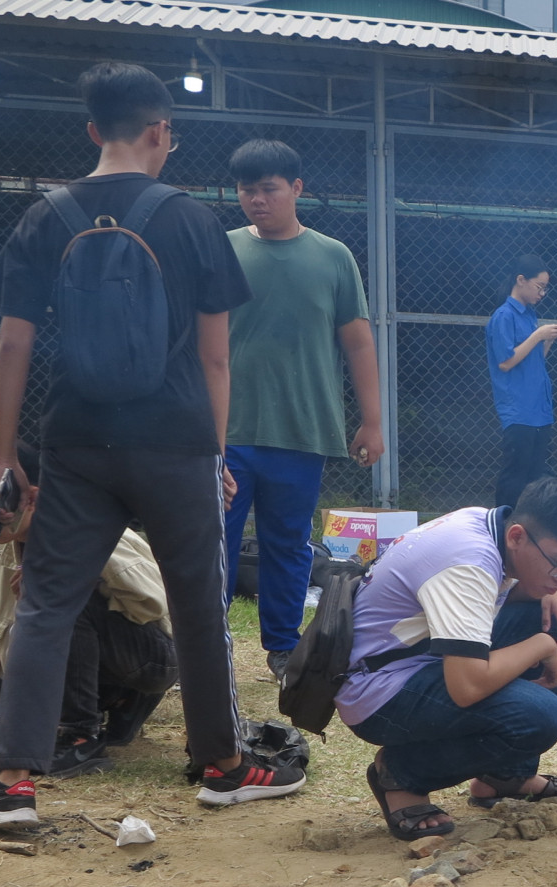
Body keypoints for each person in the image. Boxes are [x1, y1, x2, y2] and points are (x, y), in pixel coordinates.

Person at [0, 61, 304, 825]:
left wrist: (8, 453)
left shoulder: (44, 216)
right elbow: (217, 358)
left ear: (92, 130)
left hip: (78, 441)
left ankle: (10, 784)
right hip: (176, 439)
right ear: (160, 131)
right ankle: (222, 765)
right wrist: (215, 454)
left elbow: (12, 346)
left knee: (48, 604)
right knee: (197, 604)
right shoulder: (192, 220)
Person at [337, 476, 557, 841]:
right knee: (538, 716)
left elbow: (513, 593)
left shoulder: (489, 525)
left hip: (422, 658)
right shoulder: (468, 563)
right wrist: (541, 646)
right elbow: (467, 686)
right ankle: (401, 775)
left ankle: (505, 775)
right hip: (379, 690)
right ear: (517, 537)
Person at [222, 139, 384, 683]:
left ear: (296, 188)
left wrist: (373, 420)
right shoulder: (222, 250)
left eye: (268, 188)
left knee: (287, 545)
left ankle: (283, 649)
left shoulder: (333, 256)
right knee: (211, 542)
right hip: (228, 430)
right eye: (247, 189)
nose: (257, 200)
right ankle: (205, 646)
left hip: (303, 430)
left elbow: (358, 343)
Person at [0, 442, 175, 783]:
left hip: (151, 655)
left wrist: (76, 574)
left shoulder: (89, 528)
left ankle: (81, 735)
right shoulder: (1, 550)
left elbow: (155, 605)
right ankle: (116, 703)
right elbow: (4, 628)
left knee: (60, 598)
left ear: (29, 498)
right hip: (86, 663)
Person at [486, 255, 557, 509]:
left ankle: (532, 526)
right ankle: (503, 524)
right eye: (539, 286)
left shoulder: (529, 314)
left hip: (538, 409)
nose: (542, 293)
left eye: (545, 288)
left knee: (536, 474)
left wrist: (547, 340)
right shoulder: (504, 316)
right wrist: (538, 335)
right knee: (515, 474)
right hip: (518, 409)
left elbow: (533, 359)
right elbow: (506, 362)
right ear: (521, 280)